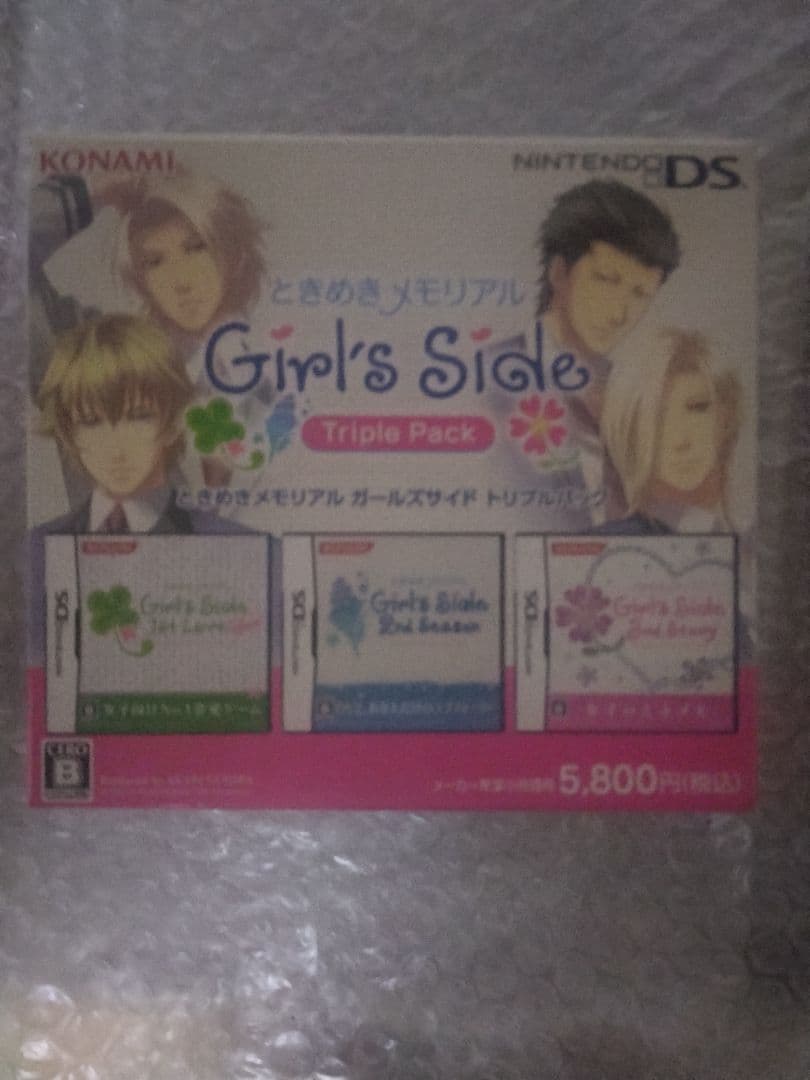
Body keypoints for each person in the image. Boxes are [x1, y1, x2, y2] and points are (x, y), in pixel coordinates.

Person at [491, 180, 681, 528]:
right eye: (606, 279)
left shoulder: (633, 393)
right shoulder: (488, 379)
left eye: (640, 294)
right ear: (559, 272)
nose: (620, 312)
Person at [35, 313, 238, 534]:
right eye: (91, 422)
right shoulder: (36, 546)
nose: (116, 449)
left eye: (139, 417)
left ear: (175, 421)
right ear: (68, 431)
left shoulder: (235, 543)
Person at [599, 328, 742, 533]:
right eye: (658, 418)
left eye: (697, 408)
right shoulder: (613, 538)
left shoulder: (744, 535)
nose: (681, 441)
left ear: (726, 417)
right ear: (631, 430)